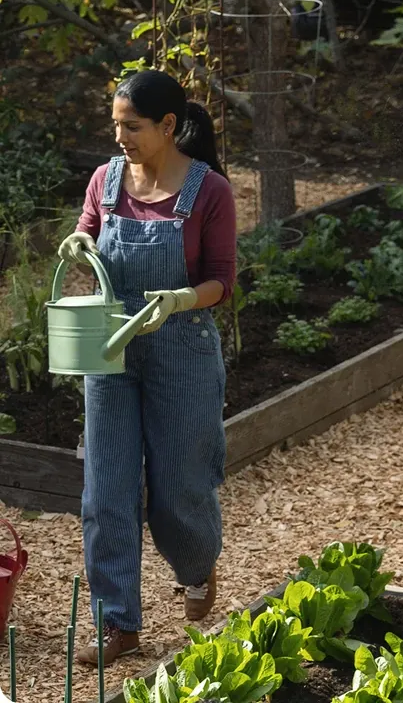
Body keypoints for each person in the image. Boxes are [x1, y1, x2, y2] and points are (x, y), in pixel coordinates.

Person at [57, 69, 237, 666]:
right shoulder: (106, 181)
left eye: (131, 127)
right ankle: (118, 626)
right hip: (109, 348)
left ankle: (195, 566)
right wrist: (77, 241)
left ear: (167, 125)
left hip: (179, 344)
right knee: (105, 490)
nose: (121, 138)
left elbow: (222, 280)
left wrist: (182, 298)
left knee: (179, 487)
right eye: (115, 126)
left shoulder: (209, 191)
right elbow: (89, 227)